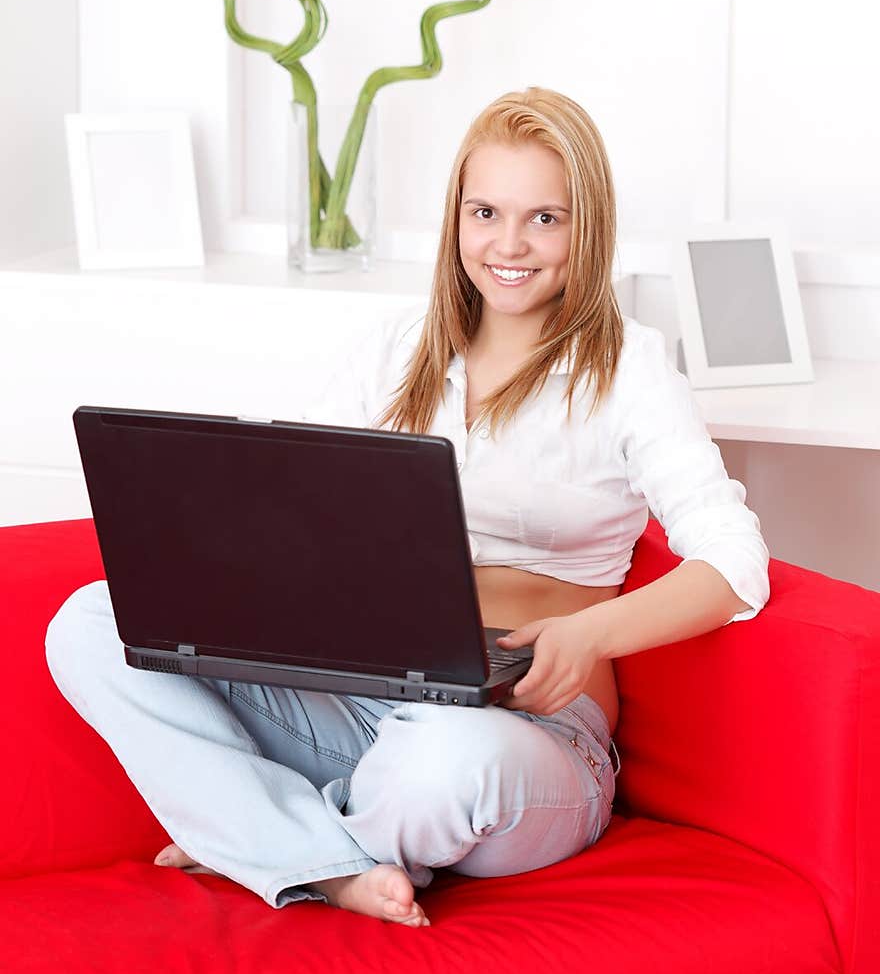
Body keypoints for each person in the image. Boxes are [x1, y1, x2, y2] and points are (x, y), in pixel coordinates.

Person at [45, 86, 770, 929]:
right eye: (486, 212)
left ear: (589, 226)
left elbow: (734, 563)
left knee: (447, 763)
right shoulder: (393, 351)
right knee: (93, 622)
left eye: (545, 219)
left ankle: (264, 840)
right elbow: (296, 518)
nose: (508, 245)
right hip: (363, 703)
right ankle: (321, 860)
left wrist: (589, 635)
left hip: (523, 732)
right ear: (455, 218)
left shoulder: (631, 370)